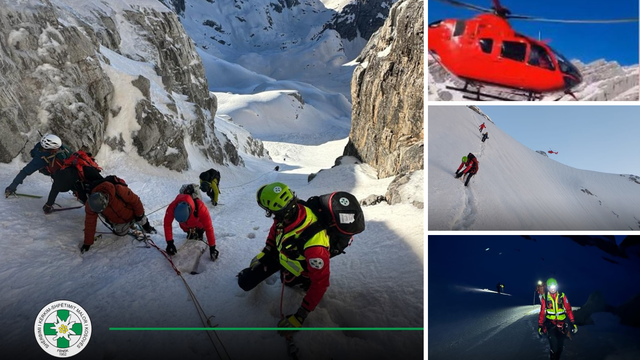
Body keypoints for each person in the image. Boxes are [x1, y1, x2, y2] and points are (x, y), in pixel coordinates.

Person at [237, 182, 331, 333]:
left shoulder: (315, 246)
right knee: (245, 281)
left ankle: (300, 279)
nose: (271, 215)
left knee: (287, 282)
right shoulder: (289, 212)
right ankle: (287, 274)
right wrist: (266, 252)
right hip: (282, 256)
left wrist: (300, 316)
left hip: (299, 267)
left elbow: (321, 283)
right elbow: (276, 229)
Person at [81, 180, 156, 253]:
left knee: (141, 219)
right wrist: (87, 243)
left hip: (132, 213)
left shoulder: (119, 190)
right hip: (118, 221)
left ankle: (147, 227)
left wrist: (140, 215)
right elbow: (90, 223)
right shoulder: (91, 205)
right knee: (121, 233)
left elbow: (135, 201)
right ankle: (130, 227)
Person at [4, 134, 72, 197]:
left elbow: (24, 172)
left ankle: (11, 188)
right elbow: (24, 172)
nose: (57, 149)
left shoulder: (41, 147)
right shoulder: (40, 159)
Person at [163, 186, 218, 261]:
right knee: (190, 234)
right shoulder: (173, 206)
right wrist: (169, 243)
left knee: (199, 232)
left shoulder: (200, 207)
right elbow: (167, 224)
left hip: (198, 224)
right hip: (185, 226)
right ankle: (190, 232)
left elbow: (209, 228)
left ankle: (199, 232)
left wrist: (212, 247)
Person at [538, 278, 577, 360]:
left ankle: (556, 357)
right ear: (548, 288)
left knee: (560, 348)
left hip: (562, 325)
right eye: (550, 287)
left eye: (554, 286)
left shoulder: (562, 296)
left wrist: (573, 323)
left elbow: (569, 310)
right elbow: (542, 312)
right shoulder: (545, 297)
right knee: (554, 348)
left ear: (557, 286)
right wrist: (540, 325)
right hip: (551, 325)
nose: (553, 289)